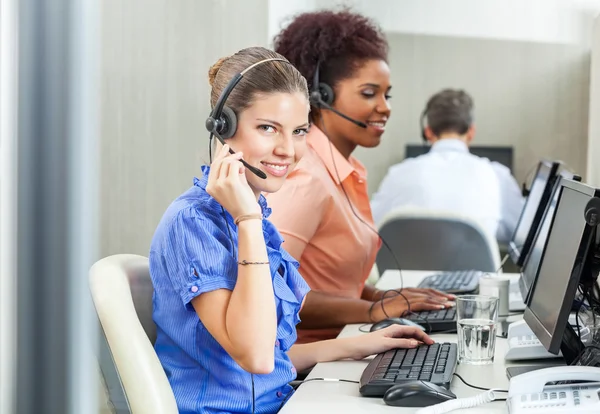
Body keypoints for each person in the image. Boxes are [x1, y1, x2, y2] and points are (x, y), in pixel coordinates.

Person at [149, 46, 434, 414]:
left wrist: (366, 344)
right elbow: (255, 358)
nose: (288, 149)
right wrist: (248, 220)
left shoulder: (253, 215)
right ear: (224, 128)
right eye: (268, 128)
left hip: (280, 402)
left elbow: (272, 357)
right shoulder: (196, 222)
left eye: (299, 131)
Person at [267, 10, 455, 344]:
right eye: (369, 93)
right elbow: (270, 289)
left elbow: (326, 279)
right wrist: (370, 311)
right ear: (319, 96)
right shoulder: (305, 177)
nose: (385, 107)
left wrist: (379, 297)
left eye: (387, 94)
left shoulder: (342, 169)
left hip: (344, 343)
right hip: (303, 368)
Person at [370, 88, 525, 243]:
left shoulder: (398, 175)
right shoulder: (498, 176)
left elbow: (367, 229)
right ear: (471, 132)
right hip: (474, 267)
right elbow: (522, 236)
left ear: (428, 132)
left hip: (409, 267)